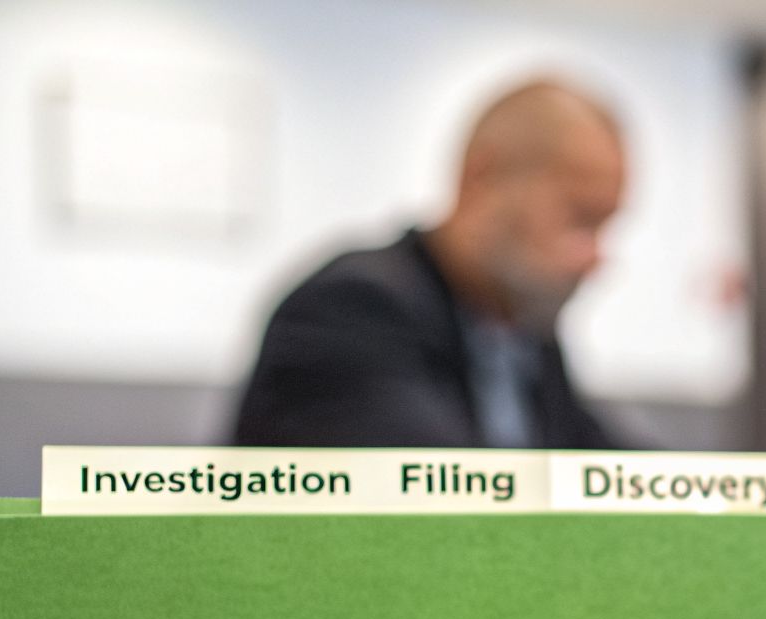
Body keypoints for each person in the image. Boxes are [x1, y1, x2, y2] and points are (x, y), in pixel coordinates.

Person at [234, 79, 624, 449]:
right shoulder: (351, 311)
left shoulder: (526, 338)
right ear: (482, 178)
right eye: (581, 220)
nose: (596, 259)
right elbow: (437, 494)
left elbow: (606, 466)